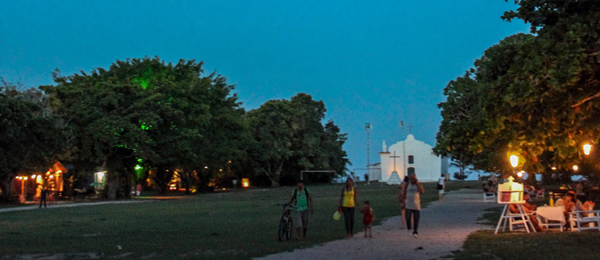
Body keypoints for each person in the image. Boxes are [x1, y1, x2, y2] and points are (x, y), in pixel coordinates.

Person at [405, 174, 424, 238]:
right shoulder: (408, 184)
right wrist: (402, 200)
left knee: (416, 219)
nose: (413, 180)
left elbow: (421, 191)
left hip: (416, 204)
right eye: (412, 178)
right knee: (408, 217)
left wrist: (417, 184)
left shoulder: (418, 184)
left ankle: (415, 231)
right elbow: (404, 191)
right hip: (408, 204)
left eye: (414, 179)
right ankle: (409, 227)